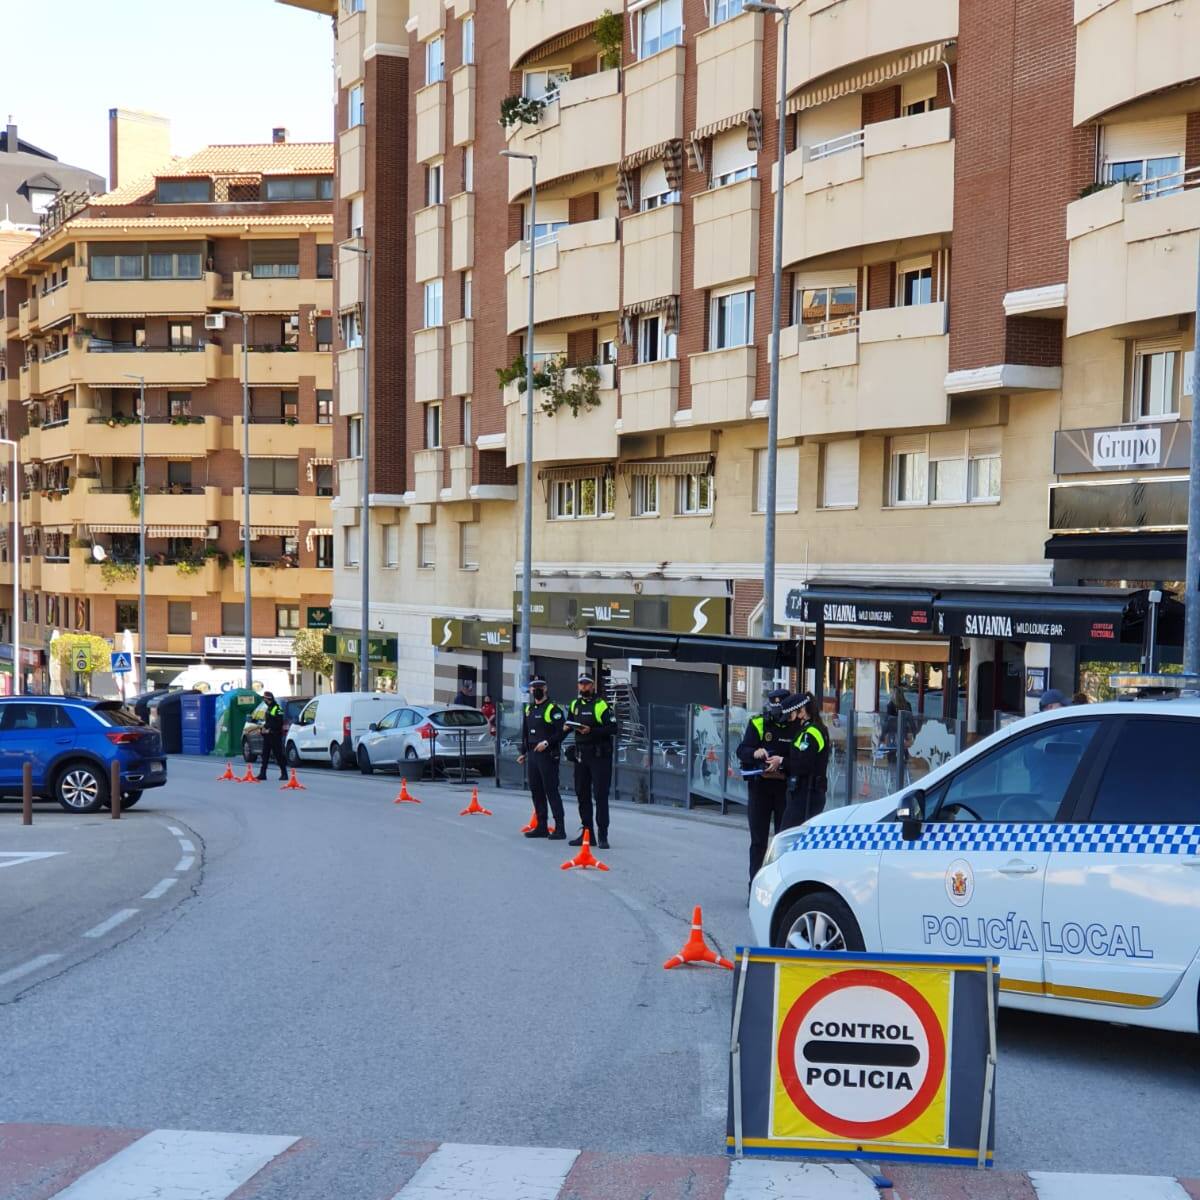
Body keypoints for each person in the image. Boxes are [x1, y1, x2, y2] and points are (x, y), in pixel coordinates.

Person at [736, 687, 794, 886]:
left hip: (784, 789)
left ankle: (780, 887)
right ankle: (755, 887)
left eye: (781, 708)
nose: (777, 712)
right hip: (760, 788)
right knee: (759, 842)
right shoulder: (759, 723)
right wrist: (756, 753)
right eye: (774, 707)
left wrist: (783, 760)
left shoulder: (795, 726)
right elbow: (741, 750)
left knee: (783, 840)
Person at [567, 673, 616, 849]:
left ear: (593, 686)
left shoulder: (601, 704)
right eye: (581, 684)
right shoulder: (575, 704)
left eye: (587, 684)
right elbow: (569, 723)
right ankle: (587, 834)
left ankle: (603, 835)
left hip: (599, 756)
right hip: (581, 755)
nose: (584, 687)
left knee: (600, 796)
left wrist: (592, 730)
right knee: (582, 794)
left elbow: (613, 728)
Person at [517, 677, 566, 840]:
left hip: (548, 755)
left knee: (551, 791)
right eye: (533, 687)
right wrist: (523, 752)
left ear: (545, 688)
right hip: (532, 755)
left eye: (539, 687)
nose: (536, 690)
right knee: (536, 791)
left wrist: (547, 743)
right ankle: (541, 826)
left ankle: (560, 828)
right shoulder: (529, 709)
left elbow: (561, 732)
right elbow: (525, 732)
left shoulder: (553, 709)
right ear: (530, 690)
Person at [782, 693, 830, 829]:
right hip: (804, 792)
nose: (791, 719)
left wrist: (782, 762)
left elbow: (804, 765)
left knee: (788, 836)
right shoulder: (810, 730)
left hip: (807, 794)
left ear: (802, 711)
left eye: (792, 714)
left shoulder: (810, 734)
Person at [256, 691, 288, 782]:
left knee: (278, 755)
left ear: (268, 699)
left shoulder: (277, 708)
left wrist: (270, 729)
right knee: (264, 755)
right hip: (267, 736)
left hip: (275, 736)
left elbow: (279, 722)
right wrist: (263, 729)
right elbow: (268, 722)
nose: (264, 700)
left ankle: (284, 774)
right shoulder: (269, 708)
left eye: (264, 698)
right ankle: (263, 774)